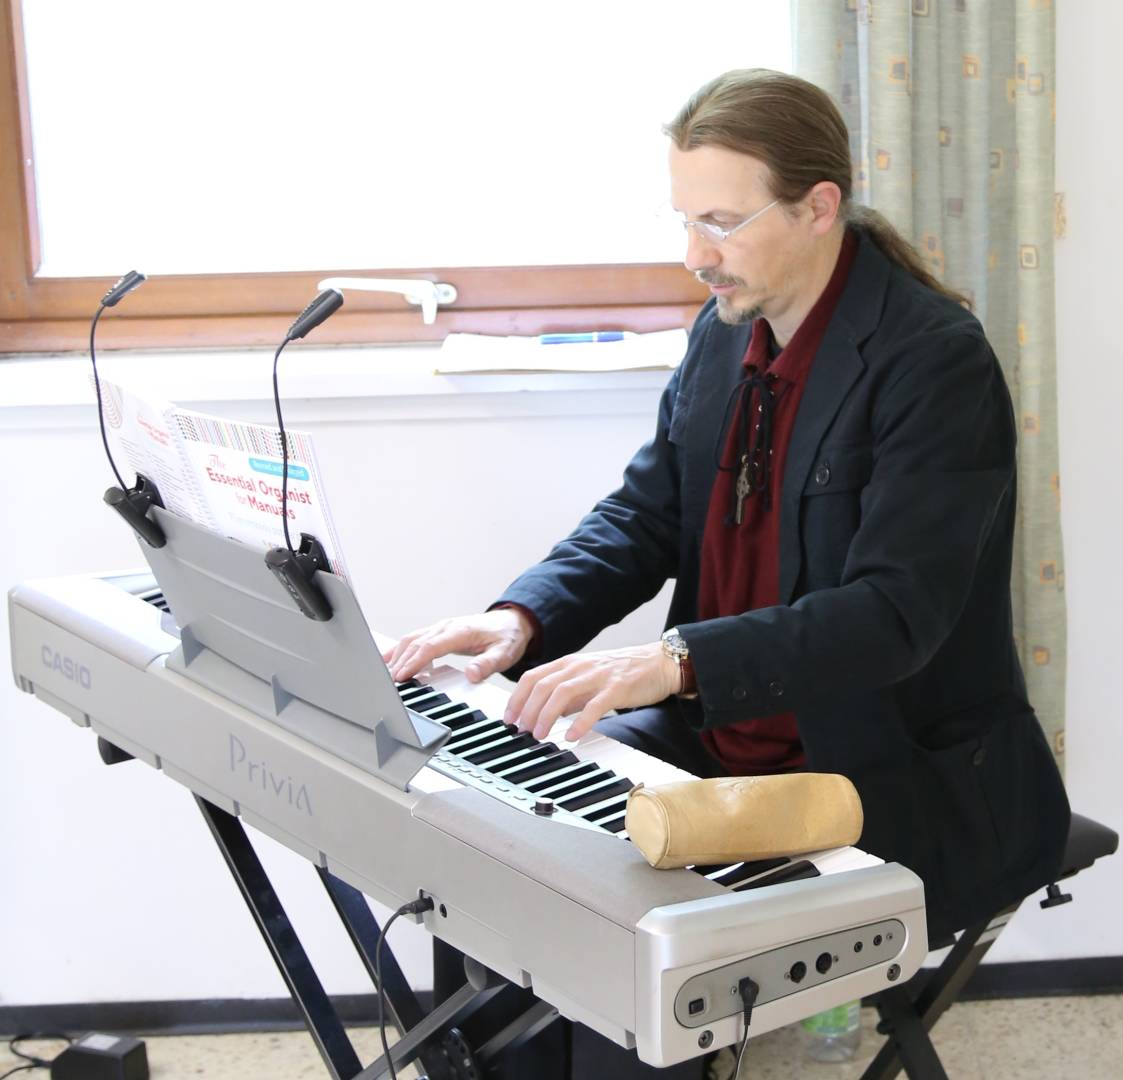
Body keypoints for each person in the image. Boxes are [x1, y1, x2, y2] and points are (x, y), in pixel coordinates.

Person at [386, 67, 1070, 1074]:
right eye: (684, 220)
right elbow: (645, 515)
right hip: (723, 733)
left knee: (616, 927)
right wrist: (522, 619)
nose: (695, 255)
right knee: (496, 853)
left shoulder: (935, 362)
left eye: (721, 221)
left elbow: (893, 616)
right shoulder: (721, 336)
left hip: (880, 767)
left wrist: (670, 662)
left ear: (818, 206)